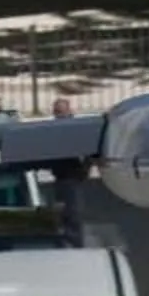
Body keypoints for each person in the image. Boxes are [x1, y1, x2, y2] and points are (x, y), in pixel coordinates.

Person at [49, 91, 86, 244]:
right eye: (57, 112)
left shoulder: (75, 129)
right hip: (61, 176)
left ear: (69, 111)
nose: (58, 115)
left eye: (61, 112)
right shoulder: (54, 129)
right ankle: (68, 239)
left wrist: (85, 168)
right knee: (62, 212)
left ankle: (75, 241)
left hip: (70, 176)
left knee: (72, 212)